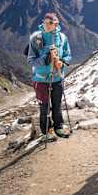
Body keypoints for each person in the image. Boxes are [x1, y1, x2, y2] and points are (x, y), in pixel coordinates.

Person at [27, 12, 72, 140]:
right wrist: (45, 59)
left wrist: (62, 62)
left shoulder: (62, 38)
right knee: (44, 107)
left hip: (57, 77)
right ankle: (47, 131)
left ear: (56, 24)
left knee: (57, 105)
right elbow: (30, 60)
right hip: (41, 79)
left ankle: (58, 127)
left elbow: (67, 55)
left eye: (50, 23)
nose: (47, 25)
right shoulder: (36, 38)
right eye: (45, 22)